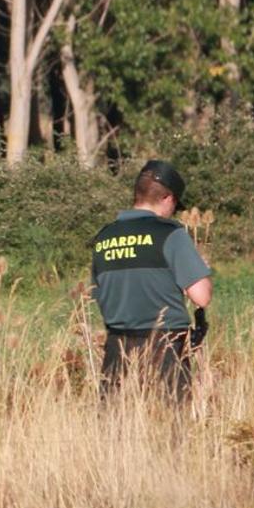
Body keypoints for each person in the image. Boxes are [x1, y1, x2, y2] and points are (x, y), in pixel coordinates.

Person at [90, 159, 212, 401]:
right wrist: (202, 272)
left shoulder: (103, 237)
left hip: (116, 348)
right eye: (175, 205)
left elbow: (98, 294)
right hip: (165, 348)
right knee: (169, 428)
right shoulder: (171, 234)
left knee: (115, 425)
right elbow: (201, 296)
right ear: (168, 199)